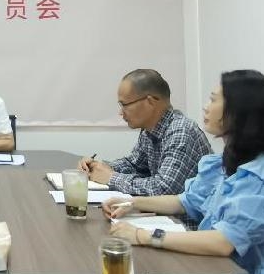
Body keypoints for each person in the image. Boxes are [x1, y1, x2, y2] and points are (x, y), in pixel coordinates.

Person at [104, 70, 264, 274]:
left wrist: (142, 236)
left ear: (239, 111)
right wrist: (132, 202)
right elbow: (185, 201)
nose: (206, 107)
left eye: (214, 100)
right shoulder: (227, 162)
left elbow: (223, 242)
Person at [77, 69, 211, 195]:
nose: (120, 112)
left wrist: (111, 177)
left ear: (150, 102)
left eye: (125, 105)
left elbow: (163, 189)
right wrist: (97, 167)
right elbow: (134, 165)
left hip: (190, 213)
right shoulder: (149, 130)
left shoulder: (181, 131)